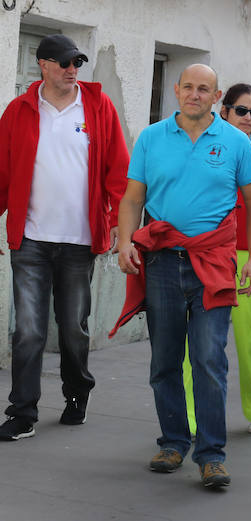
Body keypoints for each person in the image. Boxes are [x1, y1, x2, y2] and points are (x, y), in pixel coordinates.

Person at [115, 64, 251, 487]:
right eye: (188, 87)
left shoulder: (237, 143)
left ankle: (212, 454)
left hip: (214, 264)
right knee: (164, 360)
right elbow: (132, 199)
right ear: (177, 92)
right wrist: (126, 240)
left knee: (207, 358)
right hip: (162, 263)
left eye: (204, 89)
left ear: (217, 96)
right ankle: (173, 442)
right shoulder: (151, 138)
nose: (194, 95)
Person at [0, 35, 129, 441]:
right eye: (64, 63)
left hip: (78, 240)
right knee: (29, 330)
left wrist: (117, 221)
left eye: (77, 62)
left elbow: (118, 169)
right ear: (43, 65)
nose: (72, 69)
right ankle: (23, 412)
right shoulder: (19, 111)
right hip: (31, 239)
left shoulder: (97, 107)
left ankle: (77, 395)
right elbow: (2, 172)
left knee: (72, 326)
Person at [182, 83, 251, 436]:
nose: (248, 118)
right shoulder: (204, 145)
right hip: (209, 253)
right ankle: (191, 416)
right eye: (242, 111)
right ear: (225, 111)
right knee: (196, 341)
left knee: (250, 339)